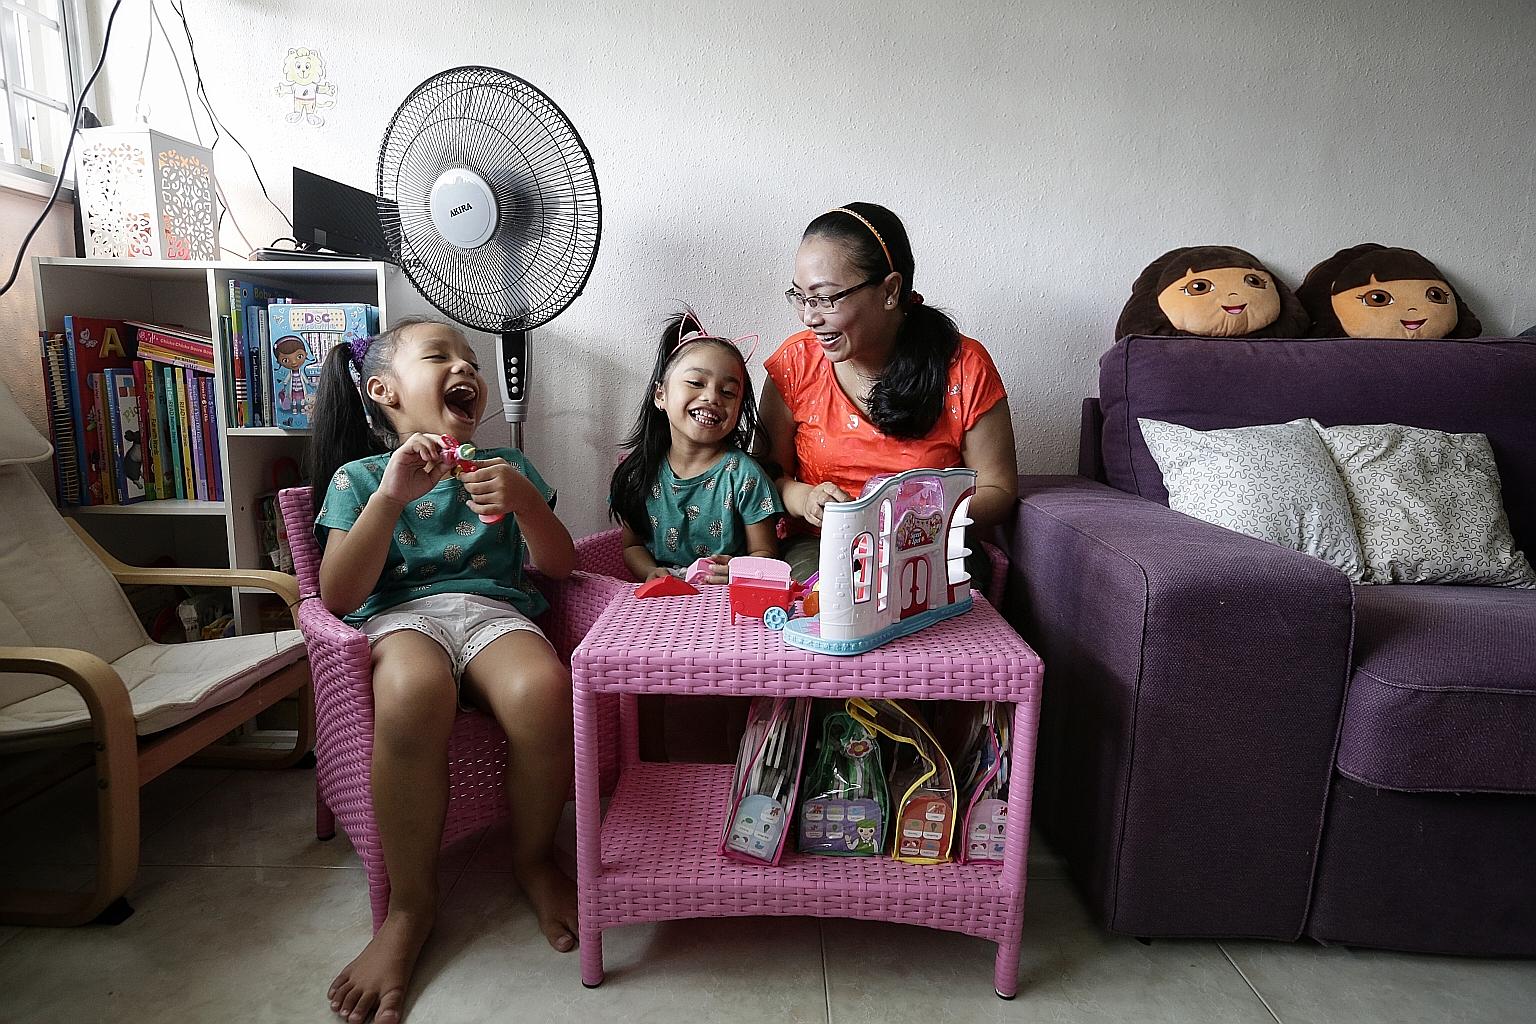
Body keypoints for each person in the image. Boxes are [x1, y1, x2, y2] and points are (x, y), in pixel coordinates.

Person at [307, 316, 578, 1024]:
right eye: (440, 356)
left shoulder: (507, 469)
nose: (466, 367)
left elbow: (559, 566)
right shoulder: (361, 476)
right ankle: (410, 908)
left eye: (472, 360)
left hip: (494, 614)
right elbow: (337, 595)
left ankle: (534, 859)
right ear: (385, 391)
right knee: (411, 691)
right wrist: (389, 496)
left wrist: (522, 502)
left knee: (544, 690)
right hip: (403, 619)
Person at [759, 203, 1018, 593]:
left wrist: (916, 516)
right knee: (838, 596)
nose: (809, 317)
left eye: (825, 298)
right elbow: (764, 475)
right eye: (800, 297)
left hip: (933, 547)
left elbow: (999, 490)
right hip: (823, 546)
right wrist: (804, 497)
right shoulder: (796, 365)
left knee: (918, 609)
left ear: (890, 291)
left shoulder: (963, 367)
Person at [609, 309, 783, 583]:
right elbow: (632, 546)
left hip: (724, 602)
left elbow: (766, 552)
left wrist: (739, 569)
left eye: (727, 392)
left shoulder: (745, 476)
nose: (712, 397)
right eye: (695, 383)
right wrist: (650, 573)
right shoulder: (638, 472)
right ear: (660, 395)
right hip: (659, 599)